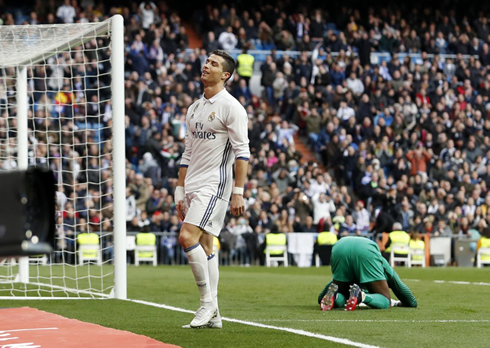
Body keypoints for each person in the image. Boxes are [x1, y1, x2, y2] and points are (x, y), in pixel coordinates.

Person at [176, 49, 250, 329]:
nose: (206, 65)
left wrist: (239, 190)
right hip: (194, 183)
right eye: (207, 61)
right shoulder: (194, 108)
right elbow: (187, 151)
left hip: (215, 184)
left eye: (214, 63)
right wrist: (180, 189)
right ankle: (215, 314)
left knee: (187, 236)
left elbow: (243, 153)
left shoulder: (232, 107)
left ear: (226, 75)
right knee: (206, 245)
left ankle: (206, 304)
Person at [317, 236, 417, 311]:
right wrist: (398, 303)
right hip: (366, 251)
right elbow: (411, 300)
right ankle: (362, 296)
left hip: (339, 247)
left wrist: (325, 293)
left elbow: (321, 297)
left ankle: (335, 296)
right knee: (386, 301)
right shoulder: (382, 264)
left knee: (344, 295)